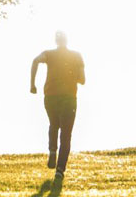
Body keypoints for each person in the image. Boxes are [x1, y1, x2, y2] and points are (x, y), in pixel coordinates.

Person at [28, 30, 85, 175]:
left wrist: (32, 85)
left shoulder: (48, 54)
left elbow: (35, 61)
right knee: (66, 134)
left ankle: (52, 150)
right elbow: (82, 80)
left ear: (56, 41)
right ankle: (60, 170)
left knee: (54, 124)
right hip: (69, 98)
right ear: (67, 40)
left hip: (50, 96)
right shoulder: (77, 56)